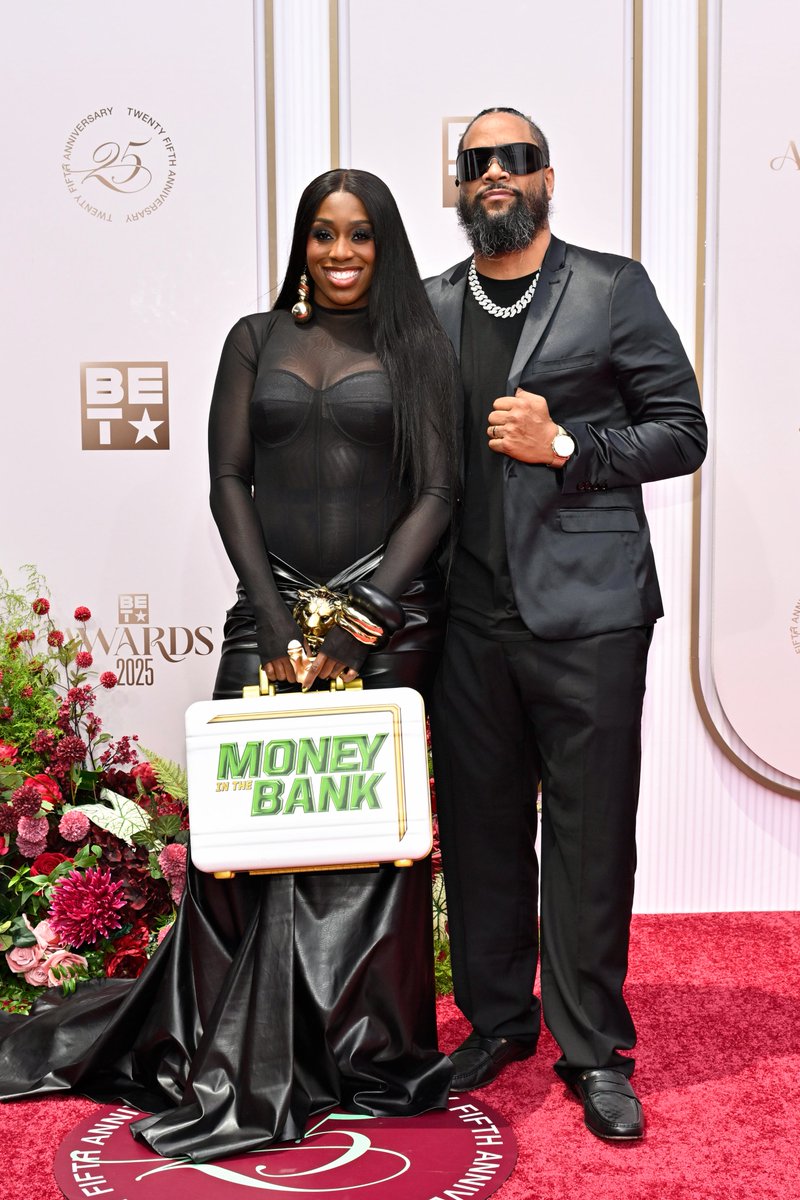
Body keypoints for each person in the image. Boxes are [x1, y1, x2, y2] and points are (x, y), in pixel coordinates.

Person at [0, 168, 458, 1161]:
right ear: (301, 241)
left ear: (385, 245)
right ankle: (234, 1046)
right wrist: (274, 616)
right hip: (270, 611)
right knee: (248, 835)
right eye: (323, 234)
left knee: (368, 844)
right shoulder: (254, 338)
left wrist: (360, 620)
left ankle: (363, 1052)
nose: (340, 252)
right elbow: (227, 477)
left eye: (361, 235)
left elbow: (437, 491)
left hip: (383, 624)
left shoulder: (418, 343)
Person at [425, 107, 707, 1141]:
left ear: (545, 177)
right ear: (457, 187)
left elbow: (681, 431)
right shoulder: (429, 305)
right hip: (464, 623)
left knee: (588, 841)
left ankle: (593, 1047)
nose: (494, 174)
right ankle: (498, 1022)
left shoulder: (609, 286)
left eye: (514, 159)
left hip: (587, 618)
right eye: (475, 163)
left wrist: (564, 446)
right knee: (481, 834)